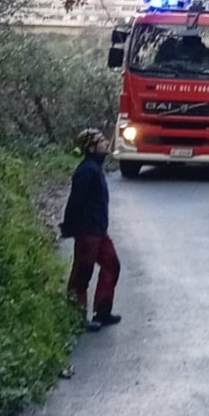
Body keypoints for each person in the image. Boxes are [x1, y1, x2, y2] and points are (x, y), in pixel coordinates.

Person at [59, 129, 122, 331]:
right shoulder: (86, 171)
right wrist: (69, 225)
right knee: (82, 273)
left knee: (112, 265)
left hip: (99, 230)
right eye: (101, 141)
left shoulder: (95, 168)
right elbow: (75, 200)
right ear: (91, 147)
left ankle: (102, 311)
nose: (105, 143)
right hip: (87, 230)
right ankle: (76, 317)